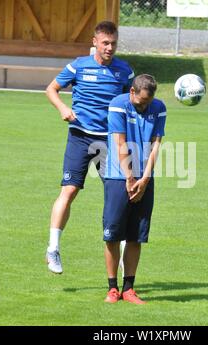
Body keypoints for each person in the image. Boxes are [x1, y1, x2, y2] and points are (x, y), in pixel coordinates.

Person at [45, 21, 134, 274]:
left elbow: (130, 102)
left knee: (119, 193)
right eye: (105, 43)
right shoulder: (78, 66)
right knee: (70, 190)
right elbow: (51, 89)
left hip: (109, 140)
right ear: (94, 41)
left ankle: (123, 251)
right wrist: (63, 108)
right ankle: (53, 248)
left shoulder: (124, 71)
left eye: (114, 43)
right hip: (80, 136)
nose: (110, 48)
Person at [103, 74, 167, 304]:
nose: (144, 106)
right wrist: (130, 178)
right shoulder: (118, 105)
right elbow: (120, 143)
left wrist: (146, 178)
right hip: (117, 176)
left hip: (144, 178)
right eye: (140, 102)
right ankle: (112, 289)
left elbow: (155, 144)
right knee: (112, 235)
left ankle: (129, 289)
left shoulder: (158, 107)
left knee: (135, 236)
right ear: (132, 92)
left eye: (147, 103)